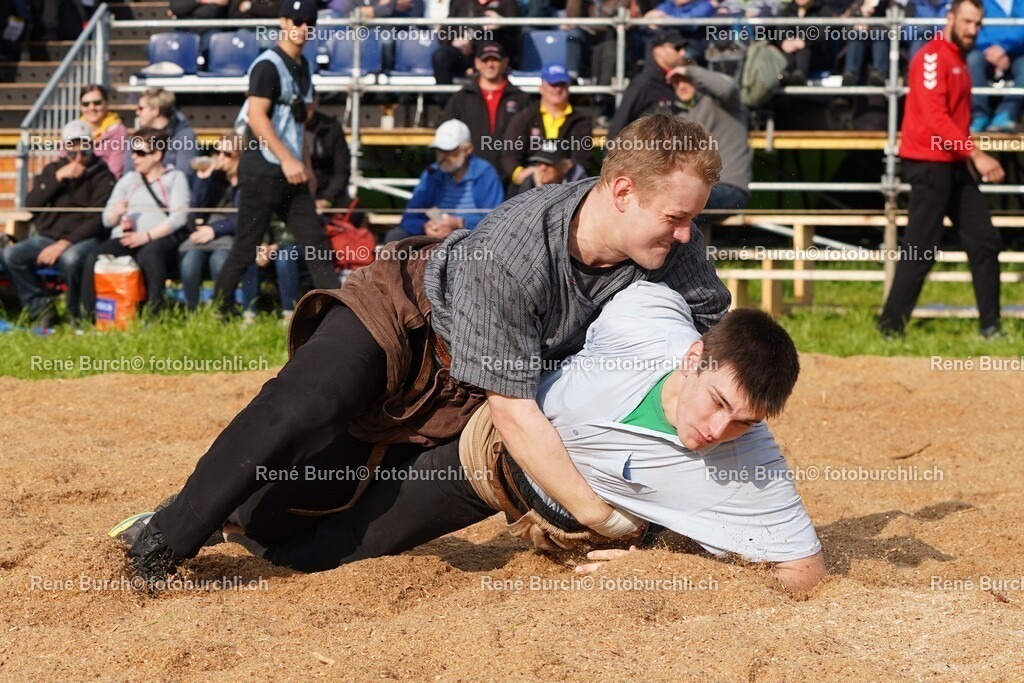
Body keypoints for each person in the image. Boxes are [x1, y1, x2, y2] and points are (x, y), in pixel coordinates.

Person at [118, 111, 733, 583]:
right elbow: (515, 413)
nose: (686, 235)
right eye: (675, 218)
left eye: (691, 221)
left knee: (334, 536)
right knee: (303, 410)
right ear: (622, 191)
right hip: (405, 320)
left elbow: (710, 331)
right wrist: (607, 522)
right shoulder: (519, 250)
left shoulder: (677, 248)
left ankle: (245, 520)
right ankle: (162, 540)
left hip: (471, 388)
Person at [115, 283, 826, 592]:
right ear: (694, 357)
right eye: (719, 404)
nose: (718, 430)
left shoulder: (751, 464)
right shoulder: (647, 317)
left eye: (744, 422)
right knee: (309, 466)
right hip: (482, 416)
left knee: (326, 556)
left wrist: (674, 567)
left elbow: (805, 572)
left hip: (484, 479)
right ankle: (186, 515)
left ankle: (240, 524)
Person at [878, 0, 1005, 338]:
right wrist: (976, 154)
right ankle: (890, 327)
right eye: (966, 22)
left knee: (985, 241)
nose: (972, 30)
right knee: (921, 247)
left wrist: (966, 153)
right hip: (929, 163)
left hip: (954, 162)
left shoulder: (960, 59)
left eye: (977, 23)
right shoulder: (933, 56)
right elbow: (936, 117)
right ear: (950, 18)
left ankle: (991, 327)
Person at [212, 0, 340, 315]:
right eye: (296, 20)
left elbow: (299, 125)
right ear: (283, 22)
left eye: (308, 21)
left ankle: (344, 314)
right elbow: (257, 117)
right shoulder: (267, 64)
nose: (302, 27)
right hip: (261, 171)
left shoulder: (305, 67)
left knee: (316, 245)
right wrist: (288, 159)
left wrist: (306, 167)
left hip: (292, 172)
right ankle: (216, 314)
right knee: (245, 249)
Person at [2, 120, 116, 328]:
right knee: (12, 255)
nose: (79, 158)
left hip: (84, 238)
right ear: (65, 149)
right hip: (48, 237)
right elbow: (32, 204)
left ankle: (76, 315)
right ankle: (42, 308)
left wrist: (65, 243)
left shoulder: (103, 175)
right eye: (73, 151)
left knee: (71, 259)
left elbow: (97, 219)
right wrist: (57, 179)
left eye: (85, 151)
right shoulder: (53, 170)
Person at [80, 128, 191, 318]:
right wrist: (116, 213)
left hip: (158, 238)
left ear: (157, 154)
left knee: (151, 255)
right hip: (126, 238)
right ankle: (91, 316)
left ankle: (154, 315)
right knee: (95, 256)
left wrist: (147, 236)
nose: (134, 158)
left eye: (140, 153)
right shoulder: (128, 180)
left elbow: (179, 217)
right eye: (133, 152)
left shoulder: (175, 178)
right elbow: (107, 220)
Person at [386, 119, 504, 243]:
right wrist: (425, 226)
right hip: (434, 239)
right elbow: (410, 216)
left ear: (468, 149)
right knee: (395, 238)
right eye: (439, 150)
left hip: (472, 241)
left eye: (450, 150)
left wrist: (460, 224)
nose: (443, 156)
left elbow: (495, 221)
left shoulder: (485, 173)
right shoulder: (432, 173)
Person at [667, 62, 751, 221]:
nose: (681, 86)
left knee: (677, 202)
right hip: (700, 188)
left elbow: (728, 88)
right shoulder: (682, 116)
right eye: (676, 82)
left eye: (686, 80)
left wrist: (688, 69)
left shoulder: (723, 102)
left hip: (731, 189)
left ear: (699, 80)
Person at [500, 63, 594, 190]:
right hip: (529, 187)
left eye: (561, 84)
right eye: (553, 84)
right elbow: (509, 155)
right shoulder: (524, 118)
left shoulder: (581, 121)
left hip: (568, 185)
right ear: (541, 88)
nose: (557, 89)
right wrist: (521, 174)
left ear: (568, 87)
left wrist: (559, 172)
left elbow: (582, 158)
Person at [441, 41, 531, 171]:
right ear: (477, 63)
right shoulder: (461, 98)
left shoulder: (522, 98)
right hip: (471, 174)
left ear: (505, 63)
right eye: (485, 60)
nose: (490, 65)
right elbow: (447, 133)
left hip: (511, 177)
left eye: (495, 60)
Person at [179, 137, 243, 311]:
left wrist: (215, 230)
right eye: (218, 152)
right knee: (189, 263)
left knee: (219, 261)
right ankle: (193, 312)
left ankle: (223, 311)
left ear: (240, 156)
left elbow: (244, 219)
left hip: (229, 237)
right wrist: (203, 180)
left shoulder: (247, 184)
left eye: (227, 154)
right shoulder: (214, 180)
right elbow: (196, 210)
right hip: (204, 235)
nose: (220, 157)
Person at [607, 30, 687, 138]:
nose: (683, 53)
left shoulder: (680, 82)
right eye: (677, 48)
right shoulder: (643, 83)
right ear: (658, 50)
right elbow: (618, 126)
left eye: (683, 48)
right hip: (648, 152)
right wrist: (613, 154)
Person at [966, 0, 1024, 132]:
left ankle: (1006, 114)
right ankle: (979, 115)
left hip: (1018, 52)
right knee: (973, 60)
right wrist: (990, 50)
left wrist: (1004, 48)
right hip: (985, 52)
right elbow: (973, 27)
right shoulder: (980, 2)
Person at [124, 88, 199, 180]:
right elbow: (128, 173)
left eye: (141, 108)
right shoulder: (137, 138)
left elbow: (185, 175)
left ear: (155, 110)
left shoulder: (184, 136)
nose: (137, 112)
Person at [305, 96, 352, 215]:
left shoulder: (332, 128)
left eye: (308, 103)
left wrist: (326, 199)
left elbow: (342, 170)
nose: (304, 108)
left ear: (315, 102)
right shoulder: (280, 128)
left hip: (325, 193)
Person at [79, 84, 128, 179]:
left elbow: (115, 170)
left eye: (97, 103)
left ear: (106, 103)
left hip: (104, 184)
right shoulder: (74, 130)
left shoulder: (118, 131)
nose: (91, 108)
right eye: (86, 104)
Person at [506, 141, 588, 197]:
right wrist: (538, 189)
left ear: (566, 166)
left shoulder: (580, 186)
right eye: (539, 162)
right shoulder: (528, 183)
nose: (542, 168)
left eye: (549, 163)